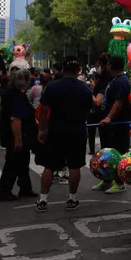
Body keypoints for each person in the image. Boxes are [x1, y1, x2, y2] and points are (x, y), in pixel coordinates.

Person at [34, 57, 94, 212]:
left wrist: (41, 129)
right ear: (78, 70)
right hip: (77, 130)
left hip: (56, 130)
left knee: (50, 166)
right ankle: (72, 198)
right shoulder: (85, 88)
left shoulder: (52, 87)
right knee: (75, 165)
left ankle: (43, 199)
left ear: (63, 69)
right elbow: (89, 110)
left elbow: (44, 110)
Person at [0, 69, 38, 201]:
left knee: (22, 162)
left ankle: (25, 187)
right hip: (17, 136)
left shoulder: (13, 94)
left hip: (17, 135)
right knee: (13, 163)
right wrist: (18, 139)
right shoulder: (16, 96)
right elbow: (15, 119)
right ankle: (4, 191)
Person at [97, 54, 131, 192]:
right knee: (107, 154)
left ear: (110, 66)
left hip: (118, 125)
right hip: (110, 125)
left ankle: (120, 182)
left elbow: (119, 102)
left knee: (118, 154)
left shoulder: (121, 82)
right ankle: (107, 181)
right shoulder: (115, 80)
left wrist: (109, 118)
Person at [88, 53, 112, 155]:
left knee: (105, 144)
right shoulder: (112, 78)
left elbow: (98, 102)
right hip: (107, 115)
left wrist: (89, 91)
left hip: (102, 115)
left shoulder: (103, 81)